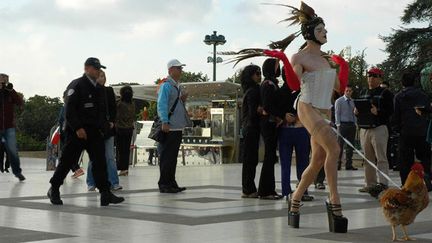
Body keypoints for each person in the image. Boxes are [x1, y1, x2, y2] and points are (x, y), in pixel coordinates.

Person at [47, 57, 124, 206]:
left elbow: (102, 111)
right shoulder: (77, 85)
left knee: (100, 162)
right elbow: (69, 110)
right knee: (67, 161)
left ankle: (105, 193)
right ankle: (54, 188)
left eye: (99, 68)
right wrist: (78, 128)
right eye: (95, 68)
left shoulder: (99, 88)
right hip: (77, 132)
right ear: (86, 68)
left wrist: (105, 127)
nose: (97, 71)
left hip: (95, 132)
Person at [355, 67, 393, 195]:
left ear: (380, 78)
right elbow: (359, 106)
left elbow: (391, 111)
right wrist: (356, 112)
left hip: (379, 128)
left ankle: (383, 184)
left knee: (381, 158)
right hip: (365, 128)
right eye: (369, 75)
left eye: (374, 76)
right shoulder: (363, 92)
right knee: (368, 158)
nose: (371, 78)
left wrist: (378, 112)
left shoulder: (385, 93)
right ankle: (369, 184)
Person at [277, 68, 313, 201]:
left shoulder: (281, 91)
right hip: (296, 130)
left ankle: (289, 191)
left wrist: (283, 115)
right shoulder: (302, 91)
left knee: (289, 163)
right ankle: (300, 191)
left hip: (289, 130)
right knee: (300, 163)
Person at [157, 59, 191, 193]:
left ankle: (171, 182)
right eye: (178, 68)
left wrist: (182, 100)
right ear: (170, 70)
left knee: (172, 157)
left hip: (177, 127)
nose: (181, 71)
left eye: (181, 68)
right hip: (169, 127)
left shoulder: (177, 86)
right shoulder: (166, 86)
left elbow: (174, 104)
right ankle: (164, 184)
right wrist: (164, 121)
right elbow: (161, 104)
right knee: (166, 157)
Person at [394, 73, 432, 191]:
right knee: (425, 158)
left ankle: (406, 184)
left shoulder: (399, 96)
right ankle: (428, 180)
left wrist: (397, 129)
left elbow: (396, 115)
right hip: (422, 131)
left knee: (405, 160)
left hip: (406, 132)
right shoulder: (423, 95)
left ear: (402, 83)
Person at [87, 70, 123, 191]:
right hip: (94, 130)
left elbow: (113, 108)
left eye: (104, 76)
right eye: (100, 76)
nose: (102, 78)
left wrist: (112, 121)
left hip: (108, 128)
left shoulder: (108, 91)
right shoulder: (89, 91)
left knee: (109, 157)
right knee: (94, 157)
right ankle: (91, 182)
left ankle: (114, 182)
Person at [258, 58, 284, 200]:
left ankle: (269, 189)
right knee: (269, 157)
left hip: (270, 123)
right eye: (276, 66)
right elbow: (268, 106)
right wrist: (280, 116)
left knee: (270, 157)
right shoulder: (268, 84)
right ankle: (265, 190)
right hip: (269, 124)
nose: (278, 68)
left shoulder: (271, 83)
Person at [239, 64, 262, 198]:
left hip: (249, 128)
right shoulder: (253, 91)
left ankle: (248, 188)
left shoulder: (249, 90)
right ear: (251, 76)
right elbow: (253, 112)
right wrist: (260, 110)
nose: (259, 76)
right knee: (250, 160)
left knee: (250, 160)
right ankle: (248, 189)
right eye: (257, 73)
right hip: (251, 128)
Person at [0, 73, 25, 181]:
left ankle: (17, 172)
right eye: (2, 80)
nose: (4, 82)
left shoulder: (10, 93)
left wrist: (11, 90)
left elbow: (20, 102)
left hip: (9, 127)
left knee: (13, 151)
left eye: (5, 80)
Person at [58, 91, 85, 179]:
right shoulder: (77, 107)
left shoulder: (65, 108)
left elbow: (61, 121)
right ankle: (75, 170)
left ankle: (76, 169)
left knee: (67, 154)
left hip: (67, 134)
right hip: (74, 133)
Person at [335, 85, 358, 170]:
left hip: (351, 125)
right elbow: (337, 113)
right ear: (344, 91)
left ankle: (349, 164)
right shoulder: (339, 101)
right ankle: (338, 164)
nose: (348, 92)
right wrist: (338, 125)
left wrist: (355, 123)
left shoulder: (353, 101)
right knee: (339, 145)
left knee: (350, 146)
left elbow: (354, 113)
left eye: (350, 91)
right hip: (342, 125)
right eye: (347, 91)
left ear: (352, 92)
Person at [115, 85, 135, 176]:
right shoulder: (132, 104)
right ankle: (125, 169)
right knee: (126, 150)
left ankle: (121, 168)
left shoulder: (119, 103)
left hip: (120, 129)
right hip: (129, 129)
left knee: (120, 150)